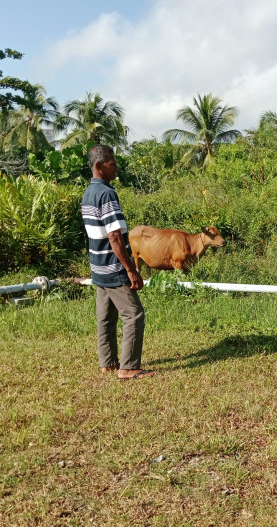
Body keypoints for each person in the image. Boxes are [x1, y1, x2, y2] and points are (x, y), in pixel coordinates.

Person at [82, 145, 155, 380]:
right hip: (113, 267)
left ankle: (108, 363)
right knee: (134, 314)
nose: (116, 168)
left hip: (98, 267)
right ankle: (129, 367)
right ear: (99, 166)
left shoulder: (88, 193)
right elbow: (114, 236)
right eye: (112, 164)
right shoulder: (107, 193)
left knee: (106, 317)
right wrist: (131, 270)